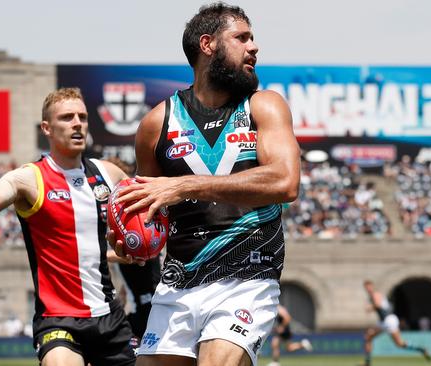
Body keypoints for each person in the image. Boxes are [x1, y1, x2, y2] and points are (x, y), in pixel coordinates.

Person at [110, 3, 300, 366]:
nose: (254, 47)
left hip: (248, 275)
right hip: (178, 282)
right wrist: (128, 236)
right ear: (208, 44)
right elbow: (146, 209)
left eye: (253, 38)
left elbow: (285, 180)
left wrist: (184, 187)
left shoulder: (264, 106)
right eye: (242, 38)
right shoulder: (156, 123)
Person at [0, 87, 140, 366]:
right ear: (47, 128)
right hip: (59, 319)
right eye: (67, 117)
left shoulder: (109, 173)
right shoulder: (28, 179)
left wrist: (137, 245)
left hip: (110, 317)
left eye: (82, 116)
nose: (77, 123)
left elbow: (144, 216)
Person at [362, 280, 431, 366]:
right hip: (383, 321)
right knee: (398, 344)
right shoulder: (372, 296)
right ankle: (422, 349)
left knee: (370, 337)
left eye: (369, 287)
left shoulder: (375, 294)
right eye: (366, 287)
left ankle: (367, 363)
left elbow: (378, 304)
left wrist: (370, 308)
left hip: (388, 320)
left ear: (372, 286)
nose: (368, 289)